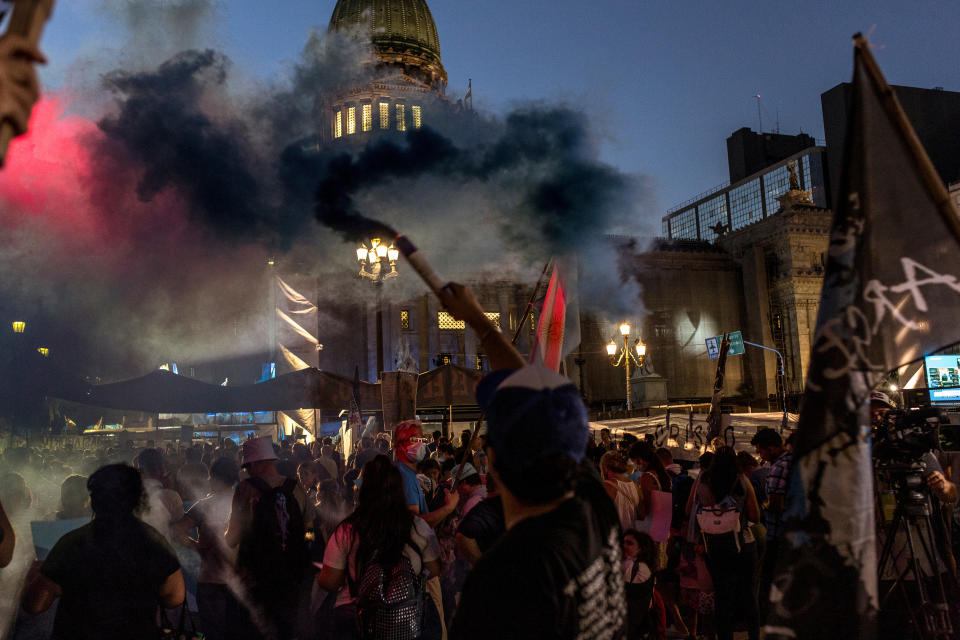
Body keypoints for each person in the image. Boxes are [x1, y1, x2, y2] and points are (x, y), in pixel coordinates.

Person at [441, 281, 626, 639]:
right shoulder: (595, 504)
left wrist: (478, 320)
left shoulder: (504, 576)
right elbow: (536, 395)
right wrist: (478, 321)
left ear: (490, 459)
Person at [22, 464, 185, 639]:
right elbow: (175, 597)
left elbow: (35, 605)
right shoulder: (153, 542)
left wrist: (32, 576)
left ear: (94, 500)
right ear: (138, 498)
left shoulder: (72, 543)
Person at [316, 455, 442, 639]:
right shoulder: (417, 526)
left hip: (359, 620)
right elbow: (435, 568)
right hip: (411, 617)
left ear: (363, 491)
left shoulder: (347, 530)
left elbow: (329, 582)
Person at [226, 436, 310, 640]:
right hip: (291, 578)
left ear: (254, 463)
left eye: (247, 467)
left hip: (255, 579)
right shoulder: (295, 488)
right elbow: (307, 530)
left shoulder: (245, 489)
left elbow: (232, 539)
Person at [688, 446, 761, 640]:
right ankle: (754, 635)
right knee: (749, 594)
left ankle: (725, 636)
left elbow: (692, 511)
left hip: (715, 545)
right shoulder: (742, 480)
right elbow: (755, 515)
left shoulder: (702, 481)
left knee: (722, 595)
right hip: (744, 543)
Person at [173, 457, 241, 640]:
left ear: (216, 478)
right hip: (239, 581)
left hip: (211, 579)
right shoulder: (243, 501)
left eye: (211, 476)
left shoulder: (205, 504)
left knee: (213, 634)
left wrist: (196, 547)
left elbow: (176, 531)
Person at [394, 419, 460, 527]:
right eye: (414, 439)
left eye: (420, 439)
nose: (419, 443)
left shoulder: (407, 473)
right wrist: (448, 507)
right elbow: (414, 523)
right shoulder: (406, 478)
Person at [751, 428, 791, 601]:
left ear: (772, 448)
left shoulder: (778, 467)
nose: (761, 456)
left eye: (761, 451)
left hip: (778, 533)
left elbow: (775, 503)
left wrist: (762, 506)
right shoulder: (791, 461)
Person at [623, 529, 667, 640]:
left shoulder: (637, 566)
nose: (624, 546)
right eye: (623, 542)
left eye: (630, 543)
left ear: (640, 549)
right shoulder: (639, 565)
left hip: (634, 624)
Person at [601, 450, 641, 532]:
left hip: (614, 538)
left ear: (606, 467)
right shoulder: (635, 485)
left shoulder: (607, 485)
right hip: (630, 536)